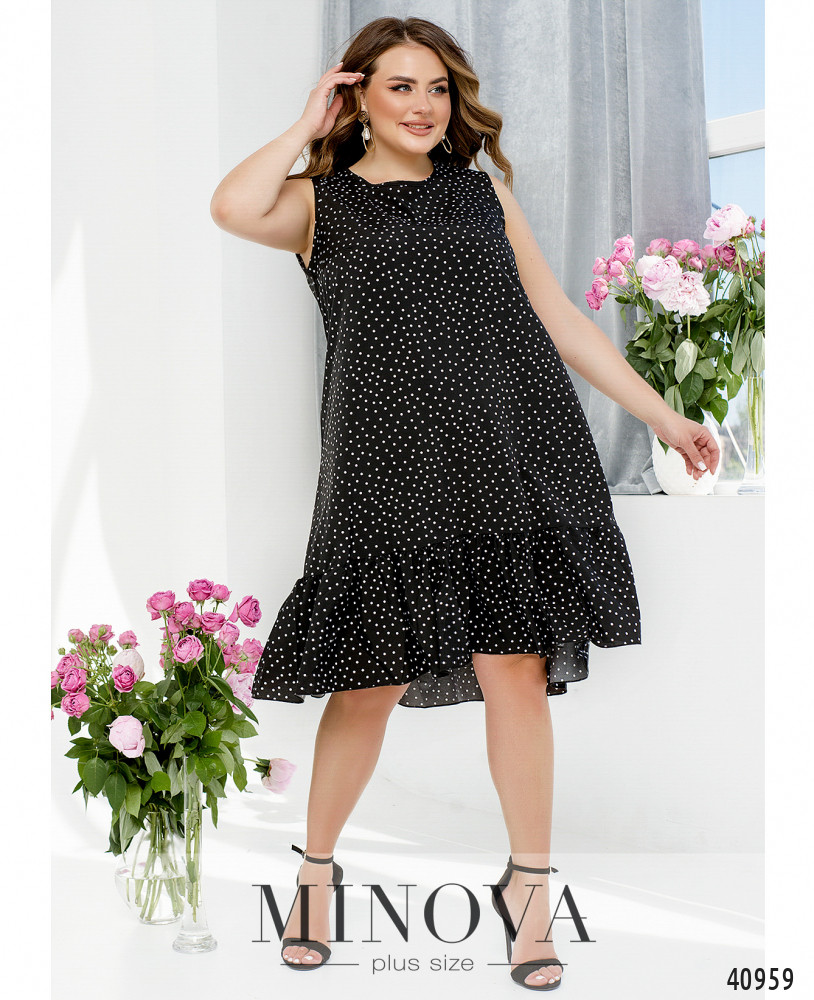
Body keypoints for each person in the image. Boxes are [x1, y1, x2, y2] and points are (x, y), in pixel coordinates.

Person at [210, 16, 719, 992]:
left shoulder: (481, 192)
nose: (424, 105)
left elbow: (559, 317)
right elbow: (231, 207)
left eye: (437, 88)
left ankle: (529, 890)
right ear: (358, 98)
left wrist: (663, 416)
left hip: (504, 450)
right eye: (399, 86)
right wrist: (305, 124)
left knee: (513, 670)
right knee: (367, 681)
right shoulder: (317, 203)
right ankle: (315, 872)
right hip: (384, 469)